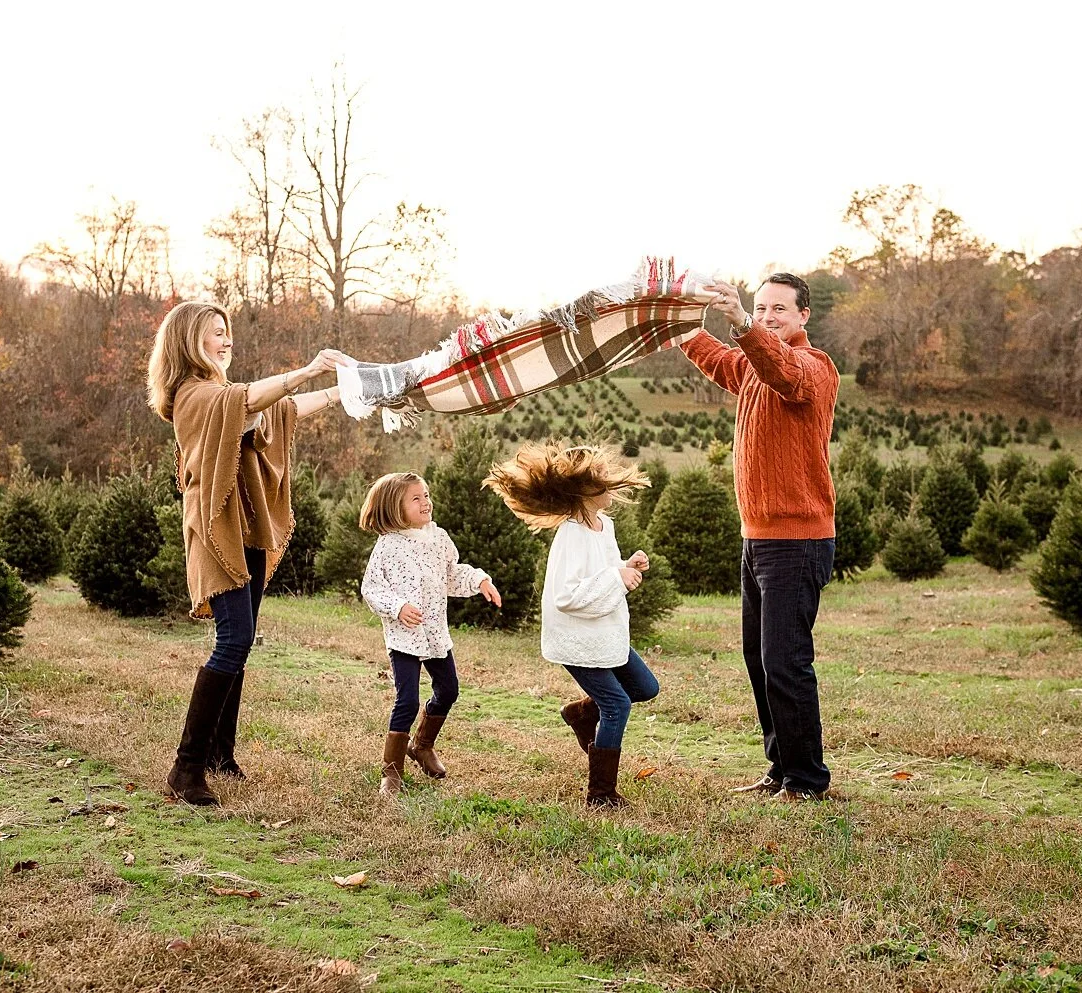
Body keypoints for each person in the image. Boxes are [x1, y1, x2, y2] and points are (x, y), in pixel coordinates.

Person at [146, 301, 349, 806]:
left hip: (248, 531)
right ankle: (185, 768)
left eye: (226, 331)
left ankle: (220, 754)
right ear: (189, 342)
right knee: (233, 642)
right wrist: (306, 370)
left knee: (242, 641)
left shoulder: (226, 398)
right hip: (218, 532)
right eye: (215, 332)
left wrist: (343, 391)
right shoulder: (192, 396)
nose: (226, 339)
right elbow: (254, 396)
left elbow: (281, 409)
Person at [680, 273, 840, 801]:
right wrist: (677, 327)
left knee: (785, 661)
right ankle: (781, 768)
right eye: (762, 307)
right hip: (758, 539)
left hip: (797, 540)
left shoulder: (813, 369)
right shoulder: (754, 364)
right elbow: (726, 362)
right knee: (759, 659)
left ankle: (807, 780)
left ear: (803, 316)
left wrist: (744, 324)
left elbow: (781, 370)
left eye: (779, 309)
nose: (769, 315)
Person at [484, 443, 659, 807]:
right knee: (616, 706)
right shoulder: (571, 535)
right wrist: (616, 576)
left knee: (645, 687)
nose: (611, 488)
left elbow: (605, 569)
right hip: (579, 640)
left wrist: (628, 565)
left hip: (606, 633)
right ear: (585, 492)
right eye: (604, 483)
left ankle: (579, 714)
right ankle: (601, 793)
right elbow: (566, 594)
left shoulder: (603, 526)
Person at [359, 472, 502, 796]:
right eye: (416, 498)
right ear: (395, 507)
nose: (426, 502)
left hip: (435, 633)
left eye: (426, 495)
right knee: (407, 700)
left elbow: (453, 574)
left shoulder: (438, 538)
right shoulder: (388, 546)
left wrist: (479, 581)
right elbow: (371, 588)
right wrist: (397, 607)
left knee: (449, 689)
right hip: (404, 637)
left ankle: (421, 745)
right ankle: (391, 771)